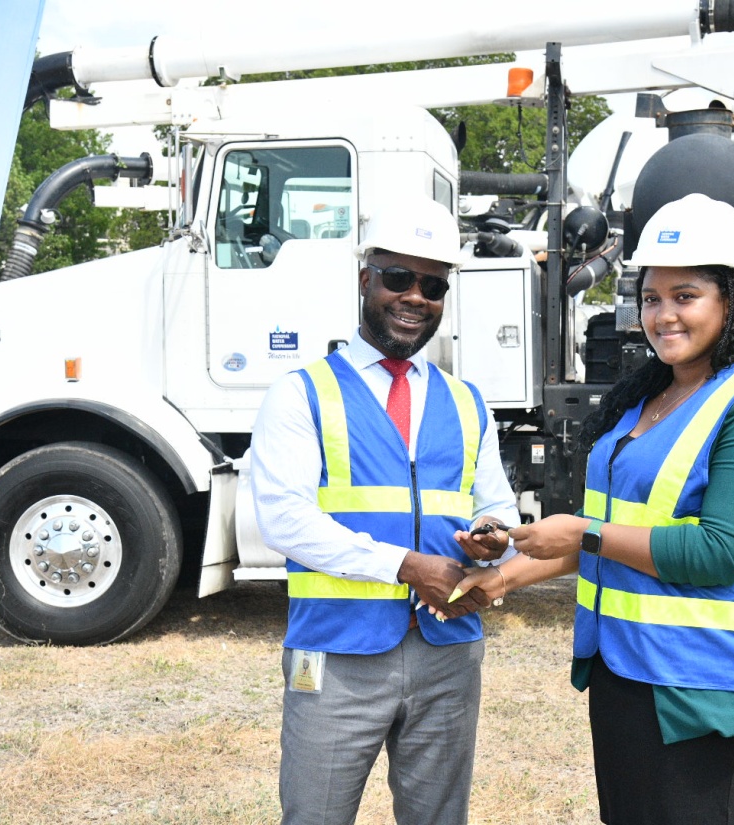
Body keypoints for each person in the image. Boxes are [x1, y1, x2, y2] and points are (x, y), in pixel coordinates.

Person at [450, 193, 734, 824]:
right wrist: (499, 576)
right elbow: (605, 544)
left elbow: (720, 553)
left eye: (685, 296)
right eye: (651, 298)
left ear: (733, 300)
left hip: (699, 686)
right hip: (623, 670)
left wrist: (583, 533)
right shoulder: (645, 400)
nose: (663, 315)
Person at [249, 194, 519, 825]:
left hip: (449, 649)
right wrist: (406, 565)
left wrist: (494, 538)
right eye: (398, 277)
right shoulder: (302, 394)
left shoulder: (467, 401)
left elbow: (498, 507)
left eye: (432, 284)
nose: (415, 296)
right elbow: (285, 520)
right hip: (338, 649)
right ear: (365, 278)